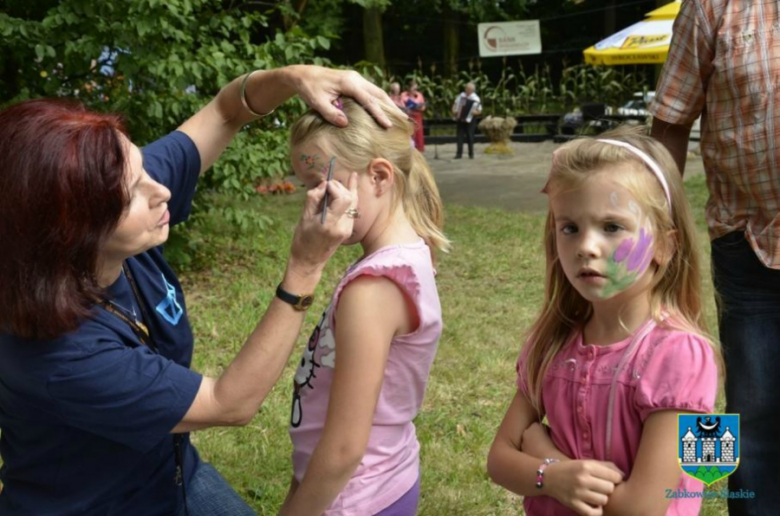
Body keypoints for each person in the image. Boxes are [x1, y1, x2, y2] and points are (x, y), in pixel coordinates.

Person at [0, 65, 393, 515]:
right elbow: (230, 403)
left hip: (170, 472)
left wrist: (293, 78)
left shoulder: (115, 192)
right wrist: (304, 268)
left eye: (144, 168)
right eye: (134, 192)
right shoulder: (60, 357)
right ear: (74, 231)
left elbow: (227, 111)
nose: (161, 190)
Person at [487, 128, 721, 515]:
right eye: (569, 228)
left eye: (612, 227)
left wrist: (547, 459)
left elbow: (643, 508)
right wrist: (551, 477)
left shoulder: (679, 356)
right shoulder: (552, 344)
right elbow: (499, 459)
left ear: (665, 244)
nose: (586, 247)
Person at [280, 98, 449, 515]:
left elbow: (342, 449)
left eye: (323, 185)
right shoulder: (406, 256)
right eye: (308, 188)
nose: (311, 203)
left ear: (378, 176)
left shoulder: (372, 290)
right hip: (378, 483)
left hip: (354, 499)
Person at [649, 2, 780, 513]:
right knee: (752, 411)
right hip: (747, 243)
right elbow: (670, 122)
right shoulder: (713, 6)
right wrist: (653, 230)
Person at [452, 82, 482, 159]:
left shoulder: (476, 99)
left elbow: (479, 111)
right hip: (460, 118)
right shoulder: (461, 95)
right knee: (459, 136)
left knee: (470, 136)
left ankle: (471, 154)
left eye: (467, 89)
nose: (466, 90)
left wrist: (475, 112)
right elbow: (455, 103)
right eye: (466, 88)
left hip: (470, 119)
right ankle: (459, 154)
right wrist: (454, 110)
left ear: (471, 90)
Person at [400, 80, 426, 151]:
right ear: (409, 89)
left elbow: (423, 107)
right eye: (414, 89)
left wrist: (419, 107)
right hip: (409, 117)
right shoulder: (404, 95)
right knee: (411, 133)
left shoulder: (419, 95)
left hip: (417, 116)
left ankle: (419, 149)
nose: (415, 91)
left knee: (418, 134)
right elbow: (402, 106)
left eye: (416, 89)